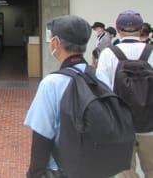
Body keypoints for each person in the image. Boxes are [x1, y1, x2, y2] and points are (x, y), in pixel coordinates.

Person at [25, 14, 104, 177]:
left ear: (56, 43)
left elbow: (42, 136)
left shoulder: (52, 83)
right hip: (95, 166)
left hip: (60, 169)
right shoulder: (100, 77)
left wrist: (34, 173)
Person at [97, 10, 153, 178]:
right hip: (150, 125)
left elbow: (101, 89)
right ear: (141, 28)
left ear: (117, 28)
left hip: (121, 126)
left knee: (124, 173)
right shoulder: (151, 52)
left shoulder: (109, 53)